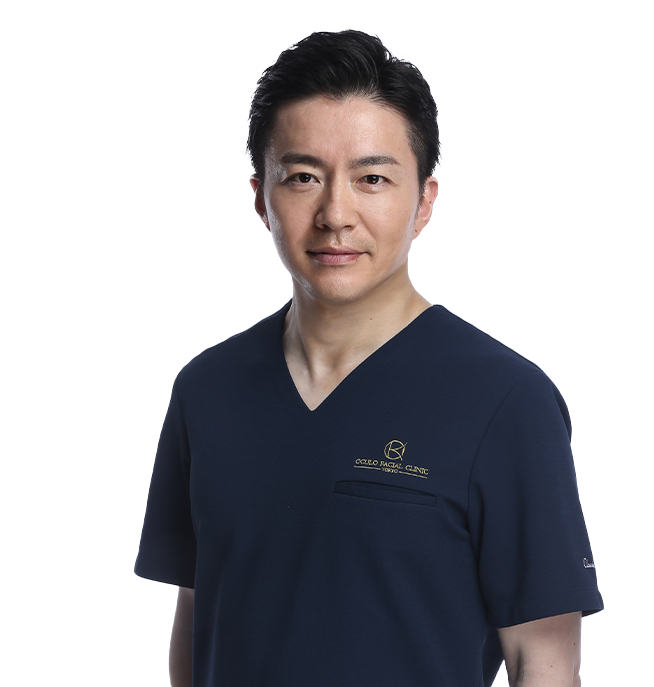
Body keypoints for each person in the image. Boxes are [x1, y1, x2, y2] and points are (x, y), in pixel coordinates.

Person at [134, 29, 603, 687]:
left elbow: (545, 663)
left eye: (372, 178)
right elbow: (196, 613)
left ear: (424, 201)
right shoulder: (206, 390)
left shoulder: (505, 401)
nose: (336, 214)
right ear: (261, 197)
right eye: (303, 177)